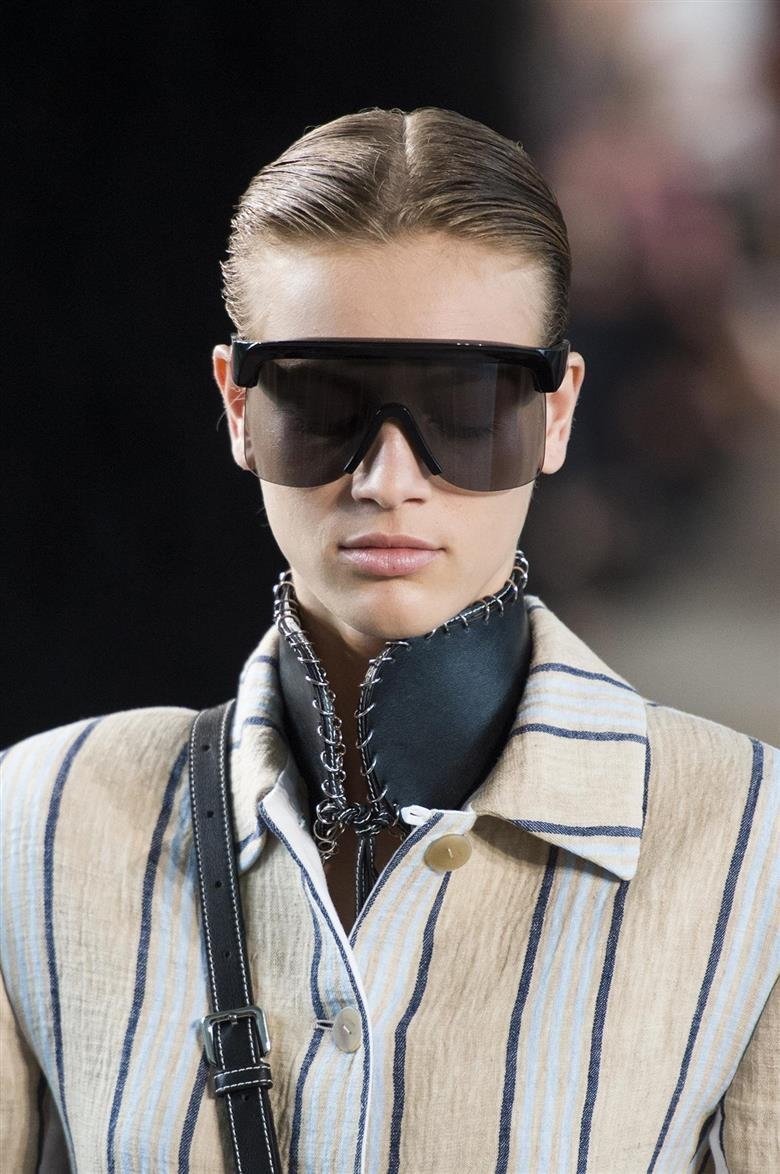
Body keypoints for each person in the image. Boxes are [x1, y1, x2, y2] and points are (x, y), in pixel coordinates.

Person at [1, 107, 777, 1173]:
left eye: (468, 406)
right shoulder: (38, 824)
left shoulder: (753, 849)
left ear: (556, 414)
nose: (388, 477)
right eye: (322, 402)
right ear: (238, 406)